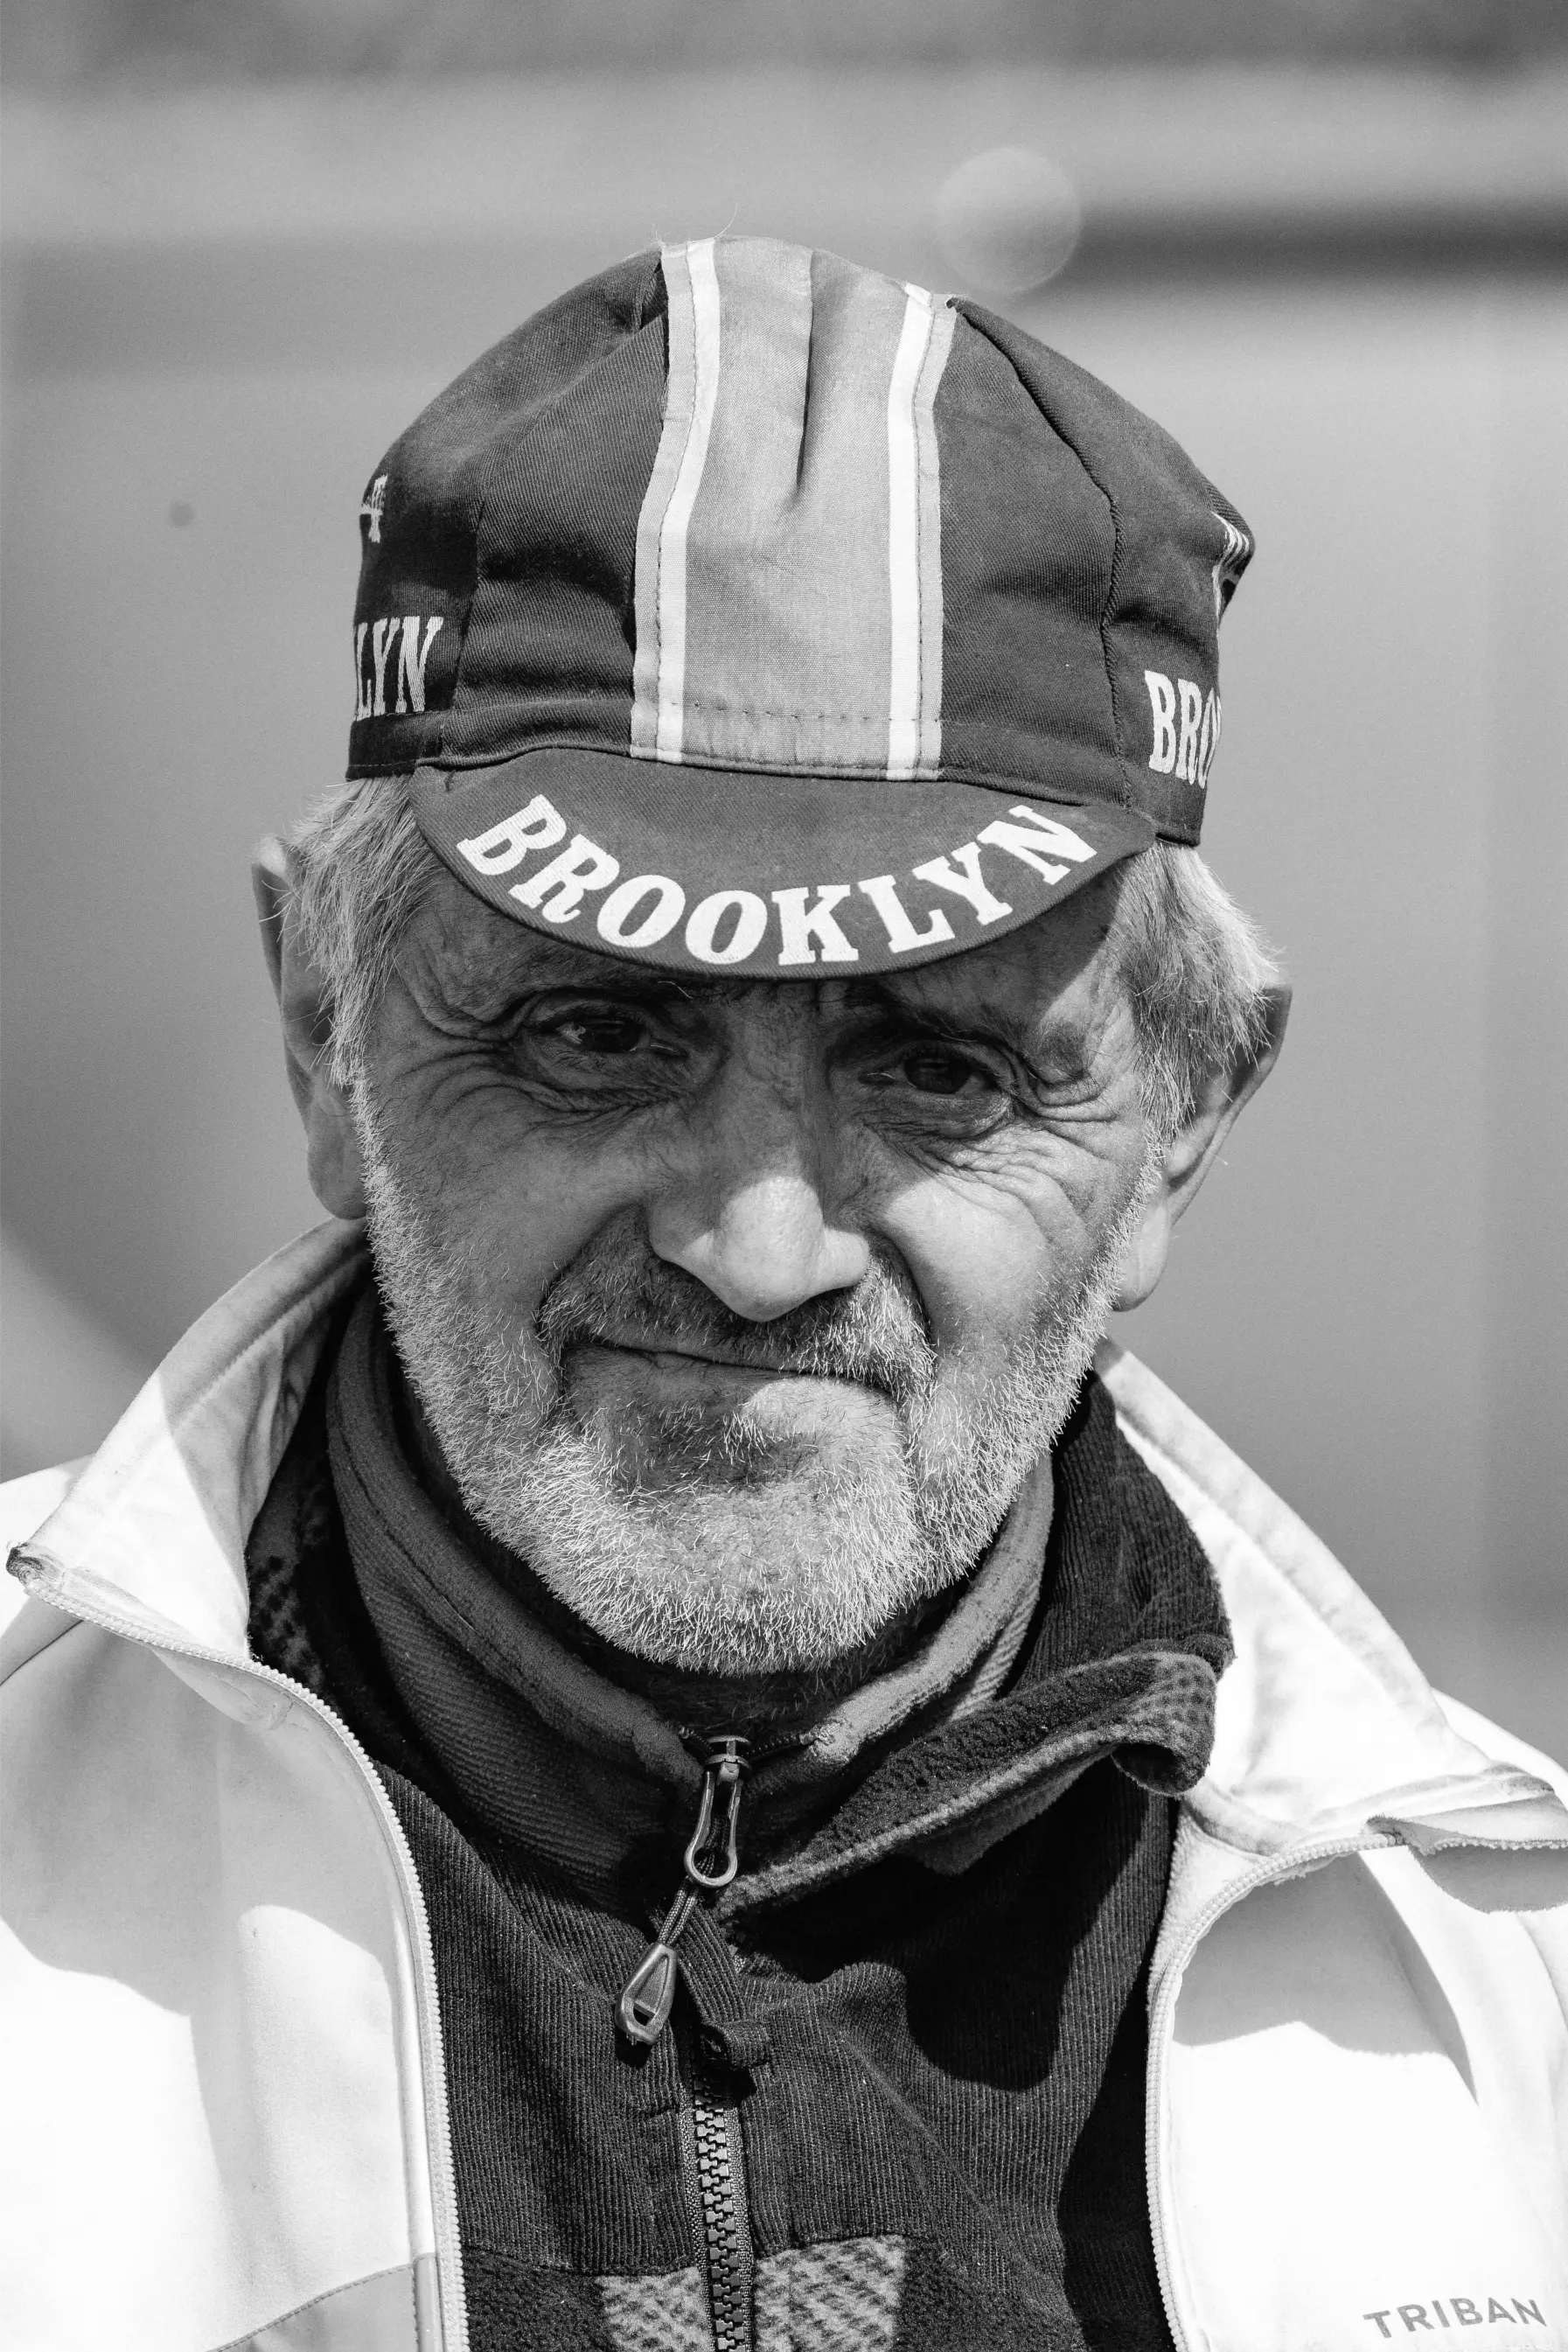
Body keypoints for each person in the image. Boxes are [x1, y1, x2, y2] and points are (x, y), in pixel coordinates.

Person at [3, 236, 1566, 2352]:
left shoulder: (1513, 1997)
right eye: (592, 1036)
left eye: (934, 1068)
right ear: (321, 1028)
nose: (757, 1252)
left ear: (1181, 1120)